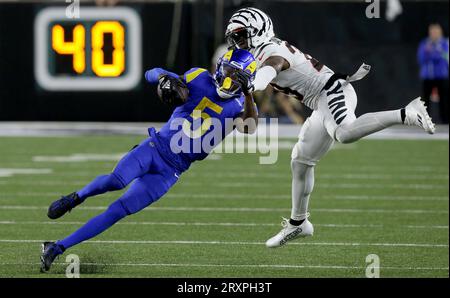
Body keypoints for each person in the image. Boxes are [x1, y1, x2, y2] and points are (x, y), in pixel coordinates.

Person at [225, 7, 436, 248]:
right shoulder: (260, 51)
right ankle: (298, 223)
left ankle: (407, 113)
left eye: (241, 36)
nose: (238, 43)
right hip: (320, 102)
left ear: (259, 31)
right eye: (235, 38)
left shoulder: (271, 51)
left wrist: (252, 83)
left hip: (332, 91)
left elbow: (272, 67)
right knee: (301, 161)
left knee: (344, 133)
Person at [40, 49, 258, 272]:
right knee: (116, 181)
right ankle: (77, 197)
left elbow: (249, 128)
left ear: (247, 82)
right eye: (228, 72)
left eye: (237, 76)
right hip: (154, 148)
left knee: (118, 211)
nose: (230, 79)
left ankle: (56, 247)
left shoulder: (242, 105)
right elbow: (151, 74)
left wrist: (249, 94)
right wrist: (166, 78)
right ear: (220, 68)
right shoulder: (198, 77)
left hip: (172, 170)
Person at [417, 23, 449, 124]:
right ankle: (425, 122)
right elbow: (421, 58)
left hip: (442, 76)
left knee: (444, 100)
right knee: (425, 101)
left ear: (440, 32)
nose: (434, 33)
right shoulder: (425, 43)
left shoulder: (445, 43)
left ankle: (445, 121)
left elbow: (444, 57)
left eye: (436, 31)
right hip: (427, 77)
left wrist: (432, 53)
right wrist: (430, 53)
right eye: (432, 31)